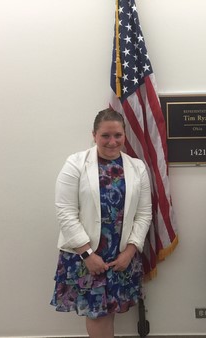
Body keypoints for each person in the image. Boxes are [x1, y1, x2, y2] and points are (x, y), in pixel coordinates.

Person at [50, 108, 152, 338]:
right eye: (105, 135)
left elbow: (144, 213)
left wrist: (130, 251)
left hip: (122, 255)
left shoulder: (137, 167)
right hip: (85, 255)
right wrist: (87, 254)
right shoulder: (75, 164)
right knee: (97, 312)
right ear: (94, 135)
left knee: (108, 311)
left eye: (118, 135)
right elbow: (65, 212)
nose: (112, 141)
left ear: (125, 135)